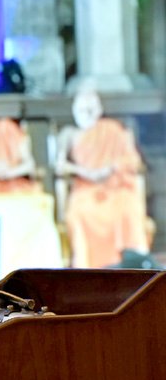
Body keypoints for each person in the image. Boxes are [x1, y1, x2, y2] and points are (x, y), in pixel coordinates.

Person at [55, 88, 150, 268]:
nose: (87, 114)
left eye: (91, 109)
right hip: (85, 187)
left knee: (126, 206)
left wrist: (112, 168)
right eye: (83, 109)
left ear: (99, 110)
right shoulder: (69, 134)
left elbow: (132, 160)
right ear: (74, 110)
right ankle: (88, 266)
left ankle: (132, 263)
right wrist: (86, 172)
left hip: (114, 184)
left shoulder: (112, 130)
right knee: (80, 212)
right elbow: (60, 165)